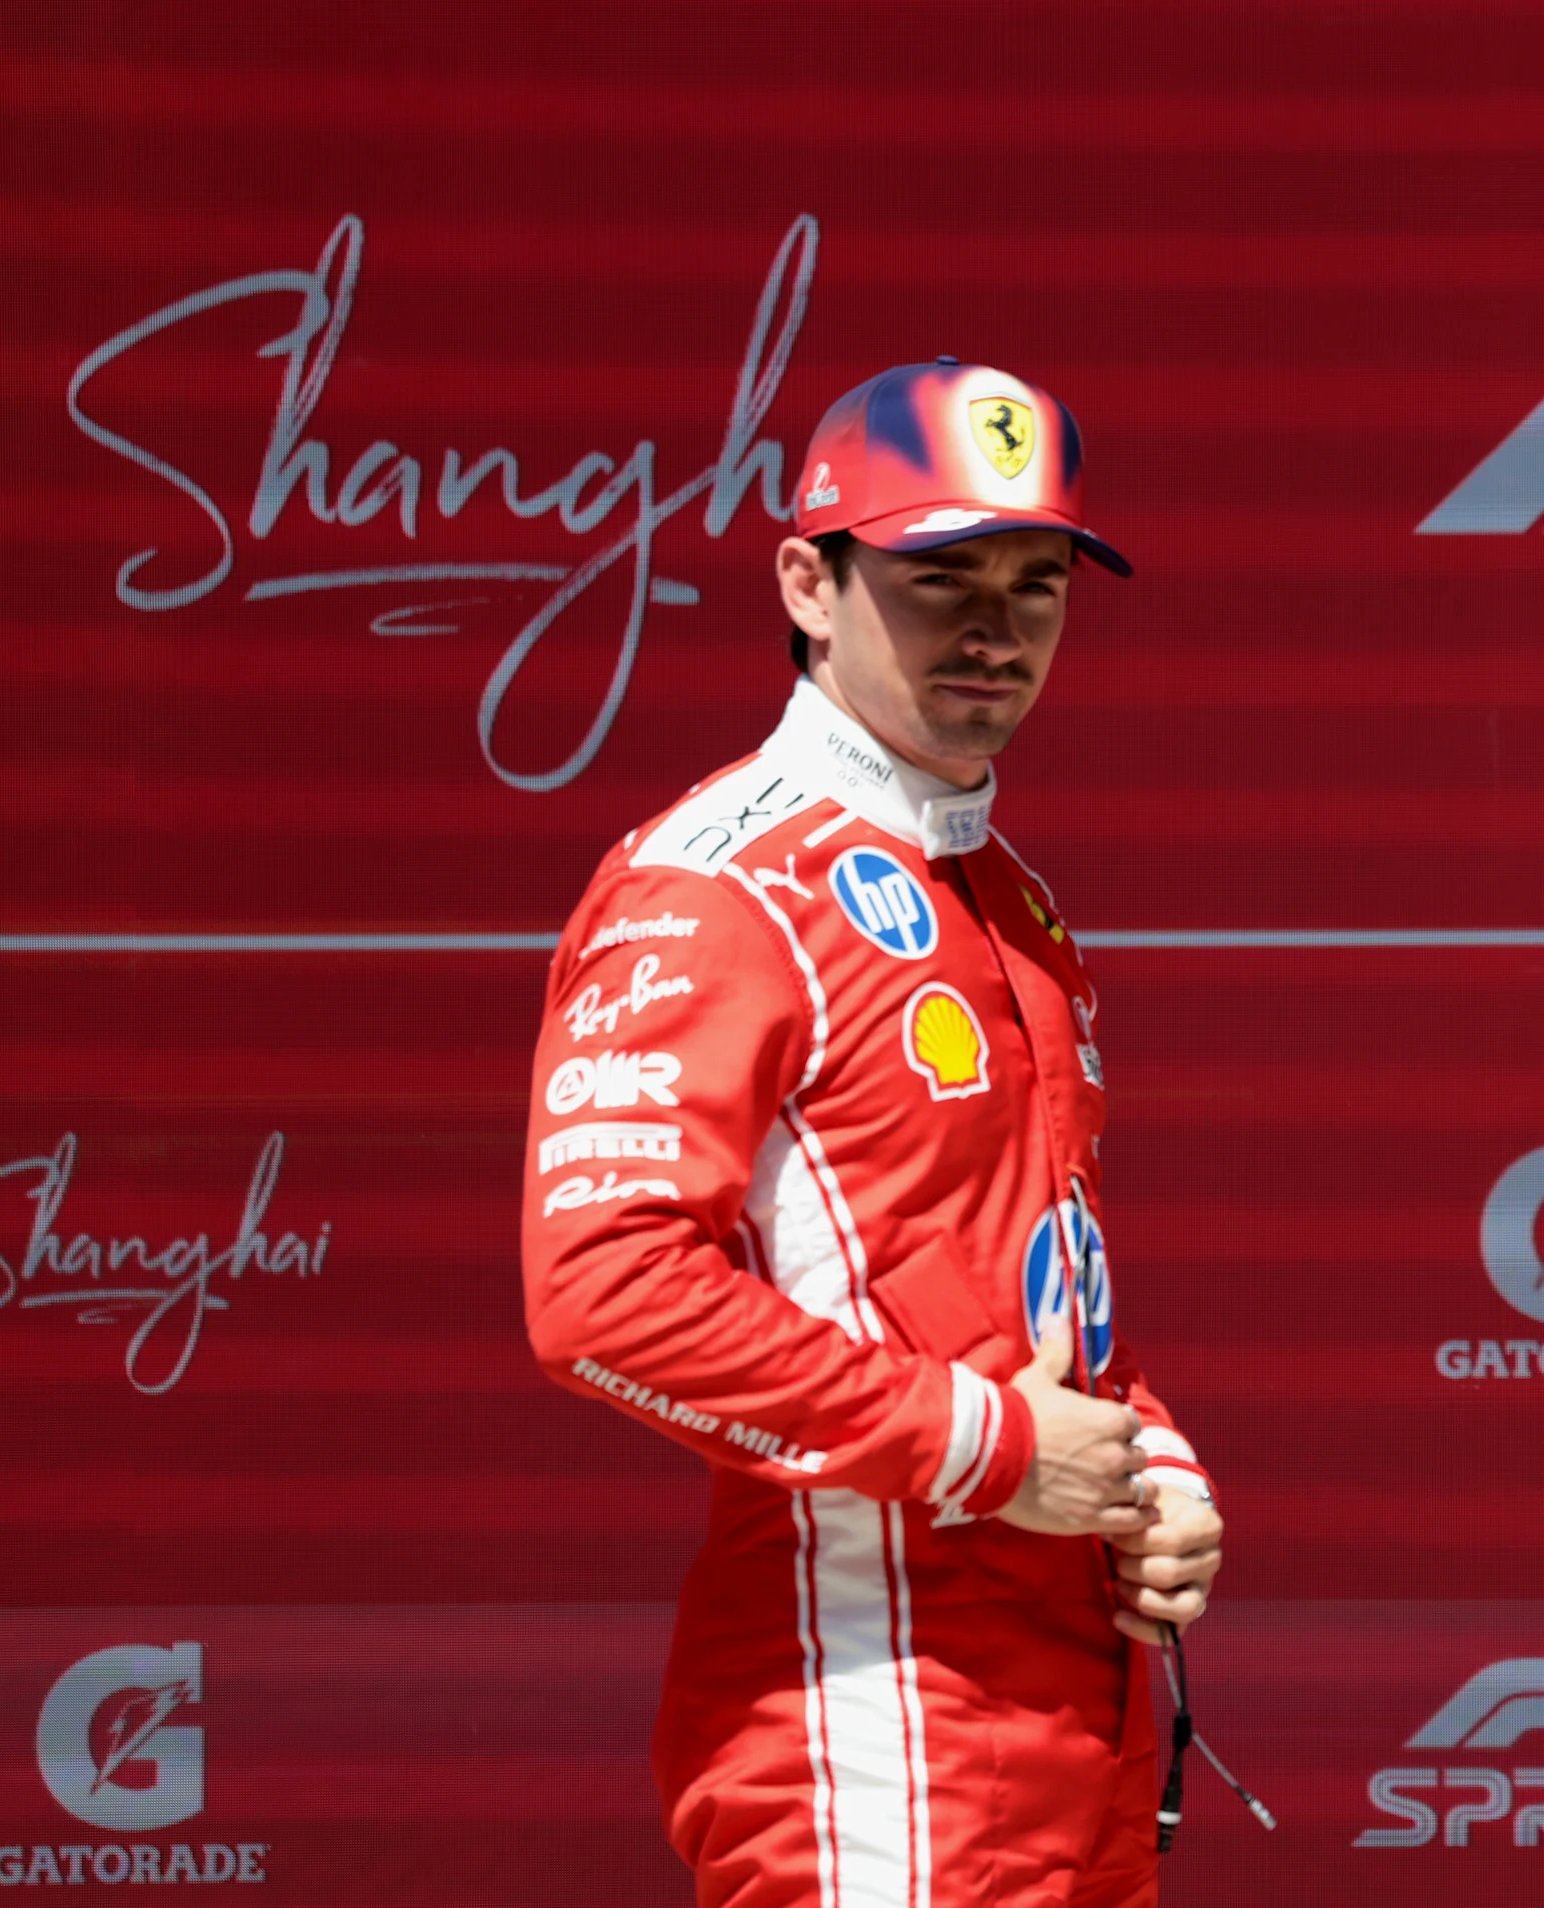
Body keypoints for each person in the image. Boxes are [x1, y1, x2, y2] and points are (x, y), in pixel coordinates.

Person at [519, 358, 1219, 1908]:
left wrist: (1147, 1466)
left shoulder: (1013, 899)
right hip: (869, 1722)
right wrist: (991, 1447)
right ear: (808, 583)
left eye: (1035, 584)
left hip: (1071, 1712)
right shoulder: (716, 884)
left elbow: (999, 1289)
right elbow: (602, 1295)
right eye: (938, 576)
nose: (995, 627)